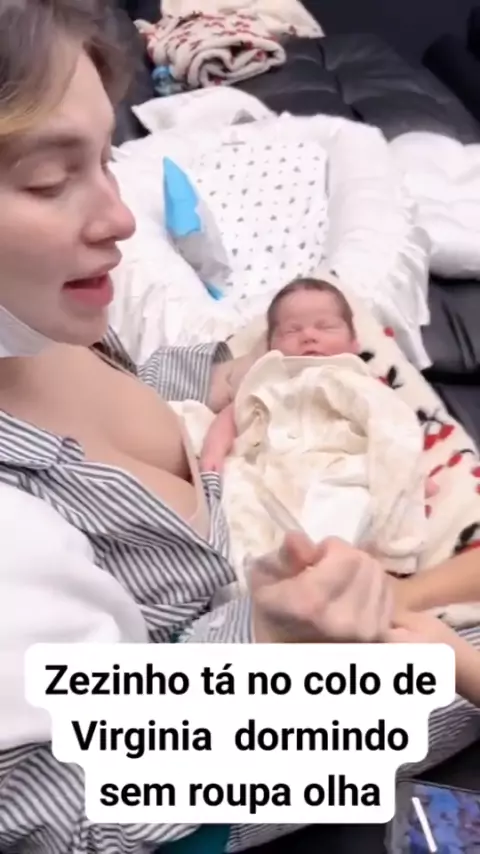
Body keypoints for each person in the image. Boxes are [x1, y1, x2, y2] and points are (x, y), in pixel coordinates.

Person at [0, 3, 477, 853]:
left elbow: (139, 393)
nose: (119, 218)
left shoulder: (40, 313)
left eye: (104, 160)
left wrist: (230, 373)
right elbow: (65, 815)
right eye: (47, 179)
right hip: (232, 735)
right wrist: (262, 642)